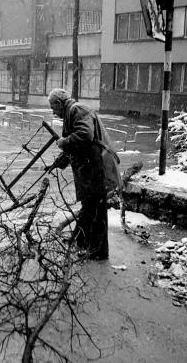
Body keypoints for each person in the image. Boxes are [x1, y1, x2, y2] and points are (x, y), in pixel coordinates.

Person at [48, 88, 108, 260]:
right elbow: (77, 144)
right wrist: (61, 161)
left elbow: (84, 136)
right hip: (90, 168)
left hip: (93, 168)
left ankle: (85, 245)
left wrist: (63, 142)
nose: (53, 112)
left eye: (53, 108)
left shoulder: (77, 110)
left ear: (59, 103)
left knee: (92, 208)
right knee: (93, 208)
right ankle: (92, 248)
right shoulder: (72, 112)